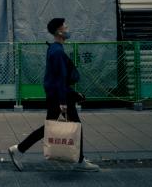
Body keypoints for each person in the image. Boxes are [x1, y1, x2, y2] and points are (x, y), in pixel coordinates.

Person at [8, 18, 99, 172]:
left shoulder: (54, 49)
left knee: (50, 127)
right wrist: (63, 101)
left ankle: (18, 149)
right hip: (59, 97)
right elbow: (60, 78)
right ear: (59, 32)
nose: (68, 29)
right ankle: (79, 161)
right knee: (75, 126)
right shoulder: (57, 51)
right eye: (65, 27)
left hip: (56, 95)